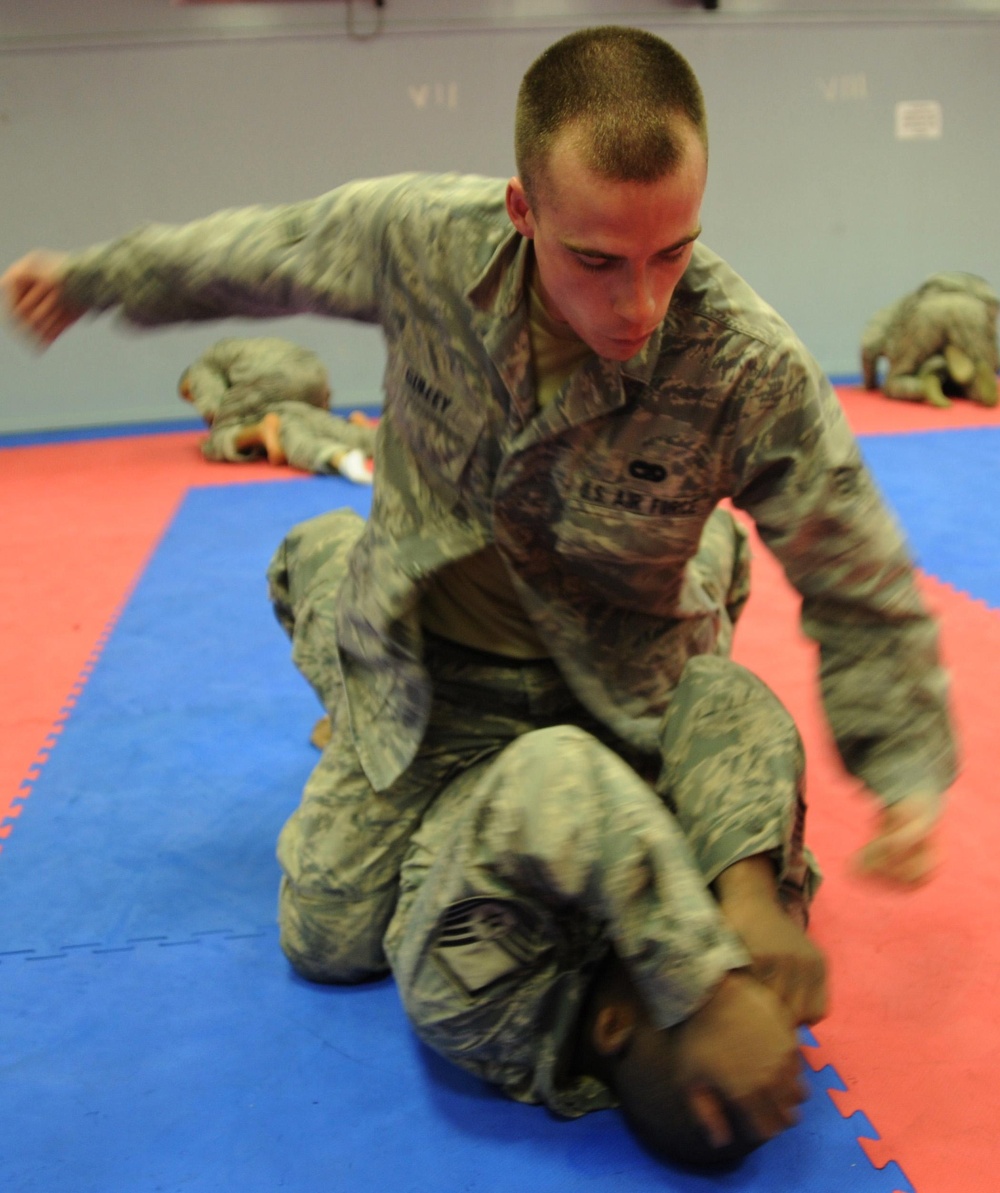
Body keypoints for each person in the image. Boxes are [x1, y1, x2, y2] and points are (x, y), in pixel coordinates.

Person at [2, 22, 956, 1149]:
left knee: (720, 722)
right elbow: (272, 246)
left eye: (672, 252)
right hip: (431, 658)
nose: (640, 302)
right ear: (522, 211)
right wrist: (99, 277)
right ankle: (328, 581)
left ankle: (709, 571)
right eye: (597, 259)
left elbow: (850, 552)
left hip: (620, 673)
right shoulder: (427, 241)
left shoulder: (739, 360)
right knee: (330, 935)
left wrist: (901, 766)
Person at [269, 504, 823, 1167]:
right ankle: (711, 533)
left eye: (712, 1002)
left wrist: (705, 988)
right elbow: (721, 692)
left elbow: (550, 770)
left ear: (613, 1026)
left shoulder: (476, 1007)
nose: (729, 964)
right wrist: (753, 893)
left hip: (446, 723)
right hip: (620, 686)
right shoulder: (739, 945)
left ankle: (332, 554)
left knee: (325, 944)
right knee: (686, 550)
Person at [178, 335, 377, 483]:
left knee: (217, 441)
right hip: (313, 371)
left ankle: (261, 431)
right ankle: (362, 433)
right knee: (298, 420)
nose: (193, 401)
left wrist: (215, 432)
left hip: (269, 376)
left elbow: (213, 408)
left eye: (189, 395)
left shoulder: (200, 368)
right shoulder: (242, 350)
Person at [861, 272, 999, 408]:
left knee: (897, 380)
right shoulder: (979, 288)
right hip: (973, 309)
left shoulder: (906, 301)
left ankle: (923, 385)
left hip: (927, 311)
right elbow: (991, 325)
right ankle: (973, 385)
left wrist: (870, 383)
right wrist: (990, 362)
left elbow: (869, 345)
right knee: (972, 373)